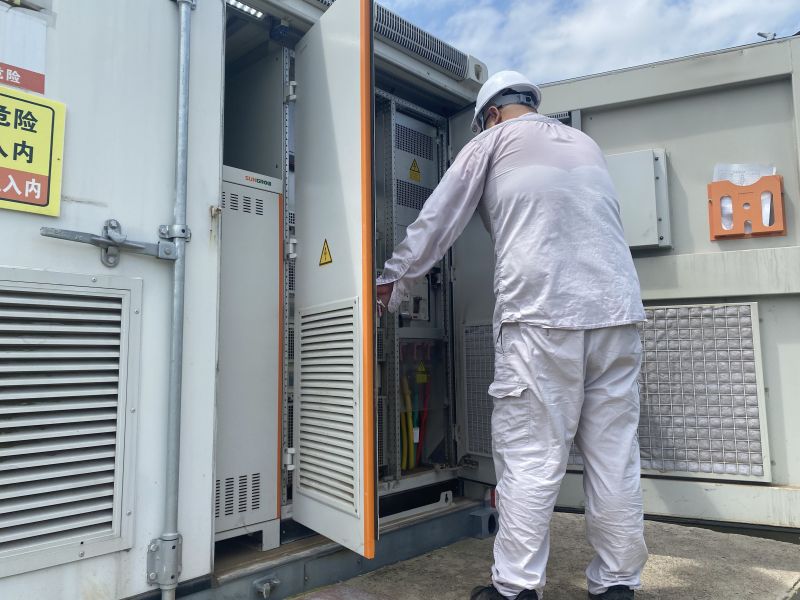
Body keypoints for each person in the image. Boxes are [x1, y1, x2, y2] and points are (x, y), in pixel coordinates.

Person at [376, 70, 648, 600]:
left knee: (530, 456)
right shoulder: (586, 144)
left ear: (492, 115)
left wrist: (393, 283)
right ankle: (617, 583)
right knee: (615, 457)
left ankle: (516, 588)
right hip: (617, 315)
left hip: (542, 317)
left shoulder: (493, 140)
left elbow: (439, 218)